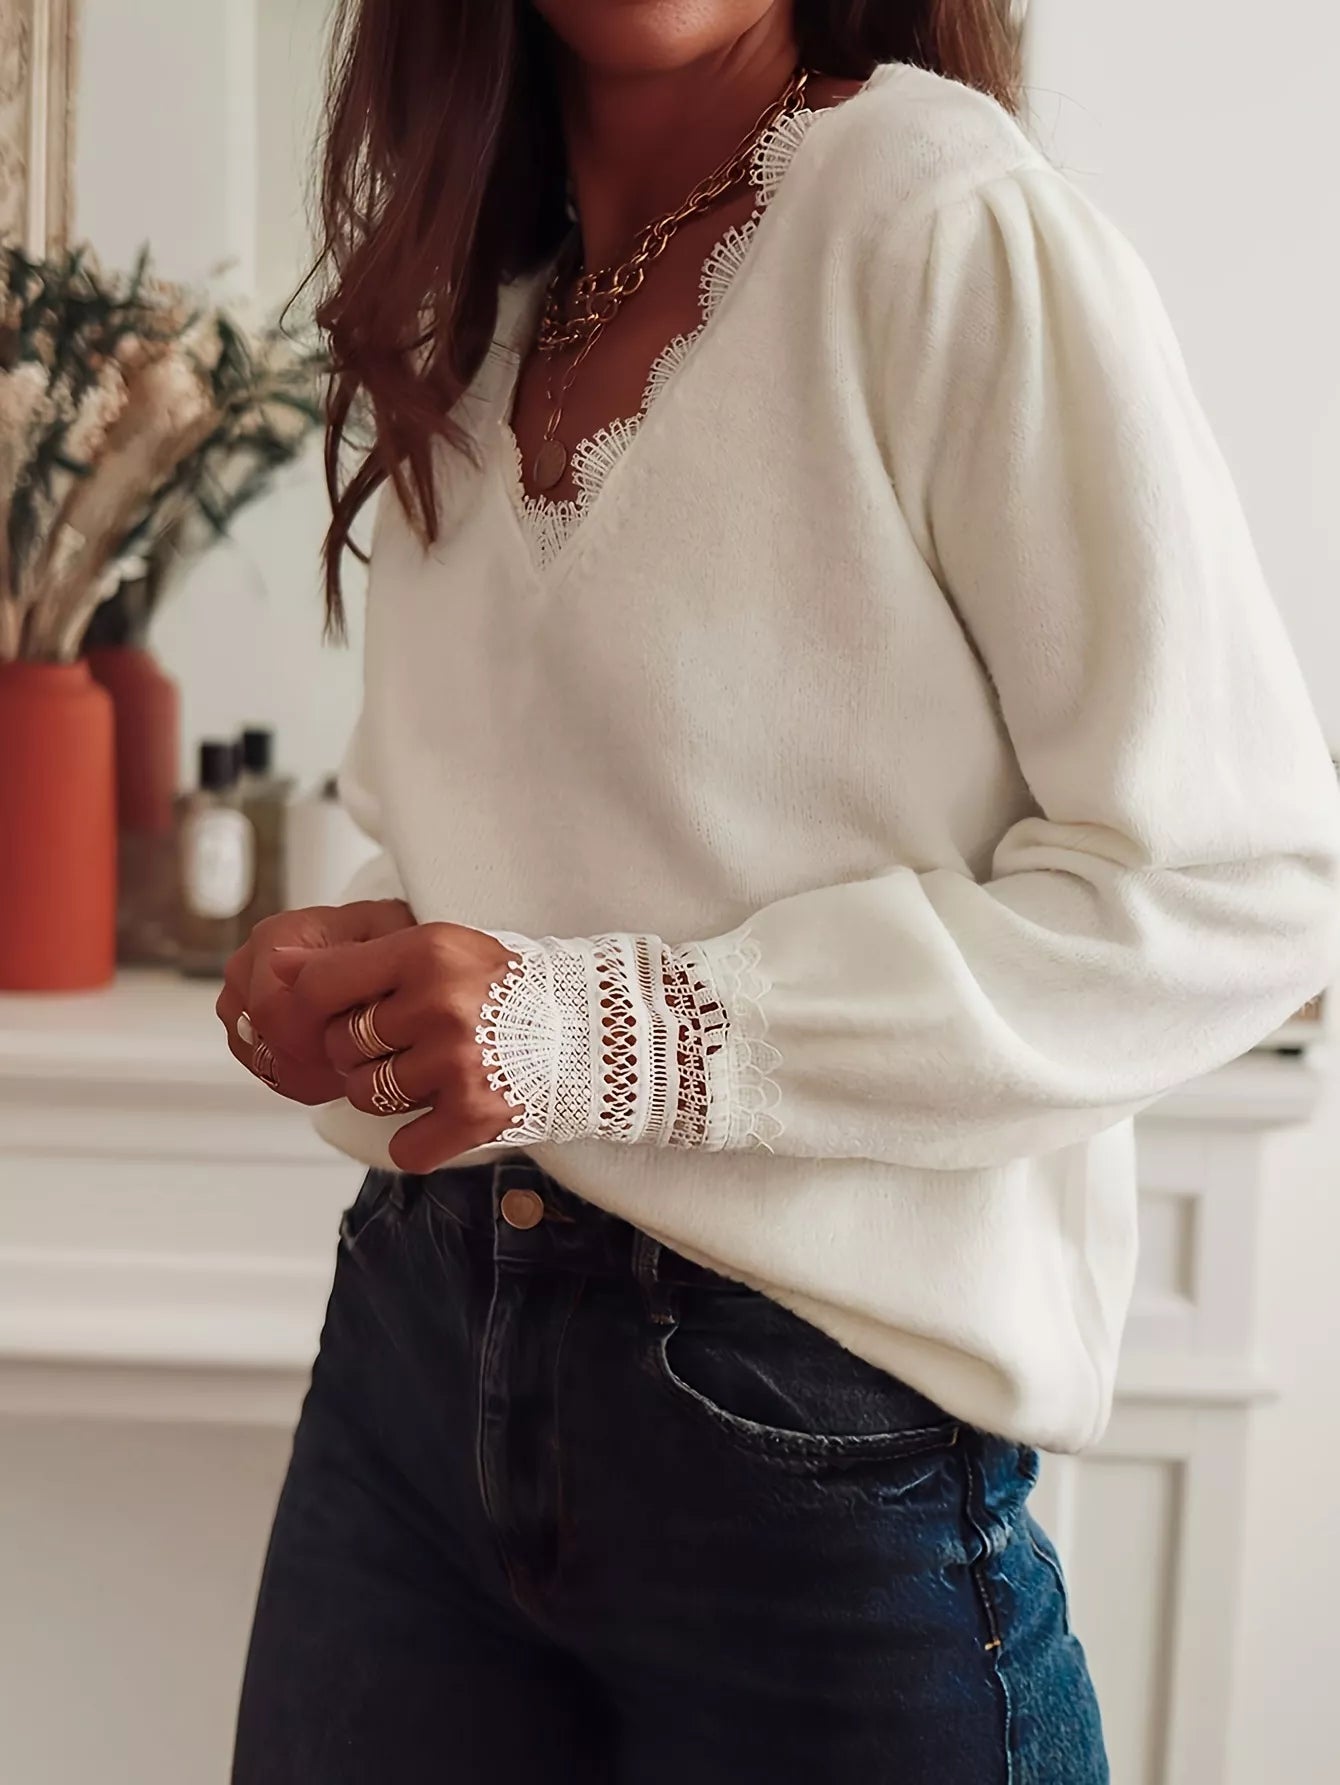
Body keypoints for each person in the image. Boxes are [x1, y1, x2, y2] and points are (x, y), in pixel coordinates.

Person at [221, 3, 1340, 1780]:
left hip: (809, 1435)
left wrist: (600, 1032)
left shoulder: (939, 221)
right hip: (415, 1370)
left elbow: (1242, 882)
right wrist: (369, 962)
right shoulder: (476, 305)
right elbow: (535, 849)